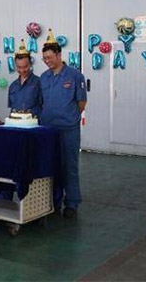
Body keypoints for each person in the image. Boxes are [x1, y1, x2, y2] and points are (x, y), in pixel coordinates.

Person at [40, 30, 87, 219]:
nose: (47, 61)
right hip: (48, 130)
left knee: (69, 167)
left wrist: (70, 117)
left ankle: (72, 203)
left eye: (50, 57)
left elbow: (81, 103)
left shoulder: (75, 76)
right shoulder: (44, 77)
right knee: (50, 166)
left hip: (68, 129)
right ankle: (53, 201)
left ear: (59, 55)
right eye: (44, 58)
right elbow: (42, 102)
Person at [8, 40, 42, 116]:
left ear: (30, 64)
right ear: (15, 66)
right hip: (15, 122)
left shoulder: (39, 83)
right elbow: (12, 110)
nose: (22, 70)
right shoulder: (13, 86)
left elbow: (44, 106)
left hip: (34, 122)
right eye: (19, 67)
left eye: (25, 67)